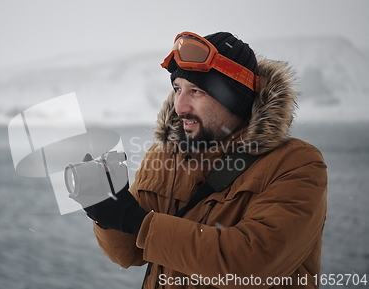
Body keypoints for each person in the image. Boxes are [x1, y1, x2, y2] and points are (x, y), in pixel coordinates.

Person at [73, 31, 328, 289]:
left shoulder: (297, 163)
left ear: (235, 100)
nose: (179, 106)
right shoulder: (164, 156)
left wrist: (136, 220)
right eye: (177, 89)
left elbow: (251, 265)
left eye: (196, 91)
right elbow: (129, 254)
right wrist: (107, 210)